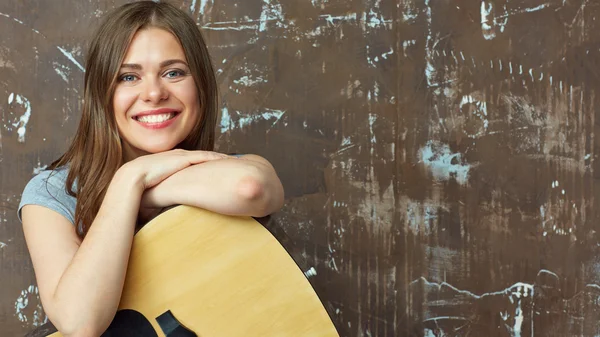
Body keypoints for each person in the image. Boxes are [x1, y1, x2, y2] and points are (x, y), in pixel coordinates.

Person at [17, 1, 284, 336]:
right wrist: (127, 181)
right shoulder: (53, 192)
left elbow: (250, 188)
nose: (154, 93)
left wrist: (144, 184)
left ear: (200, 86)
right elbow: (80, 323)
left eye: (174, 72)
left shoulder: (220, 169)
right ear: (103, 93)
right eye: (129, 77)